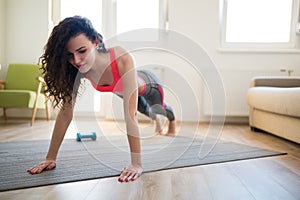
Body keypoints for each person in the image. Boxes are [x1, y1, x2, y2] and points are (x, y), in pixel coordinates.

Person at [27, 16, 176, 182]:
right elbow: (65, 113)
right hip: (124, 91)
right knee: (146, 111)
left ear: (96, 42)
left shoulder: (121, 58)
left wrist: (136, 164)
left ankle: (172, 120)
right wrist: (50, 157)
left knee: (159, 108)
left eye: (82, 51)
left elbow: (130, 115)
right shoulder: (79, 69)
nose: (76, 60)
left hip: (149, 85)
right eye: (69, 55)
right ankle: (156, 120)